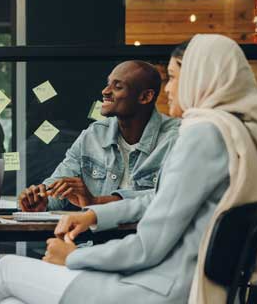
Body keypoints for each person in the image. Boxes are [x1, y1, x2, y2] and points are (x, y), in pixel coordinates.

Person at [0, 34, 257, 304]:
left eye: (174, 77)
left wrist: (74, 257)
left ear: (201, 77)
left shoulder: (202, 135)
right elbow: (159, 199)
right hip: (181, 283)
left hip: (159, 289)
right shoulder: (241, 134)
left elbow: (147, 247)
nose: (169, 90)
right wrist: (94, 214)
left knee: (8, 270)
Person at [18, 60, 180, 212]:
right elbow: (60, 182)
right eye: (107, 84)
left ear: (145, 97)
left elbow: (168, 199)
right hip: (93, 241)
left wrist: (96, 201)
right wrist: (42, 199)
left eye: (117, 87)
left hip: (146, 241)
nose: (105, 91)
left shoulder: (176, 138)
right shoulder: (93, 134)